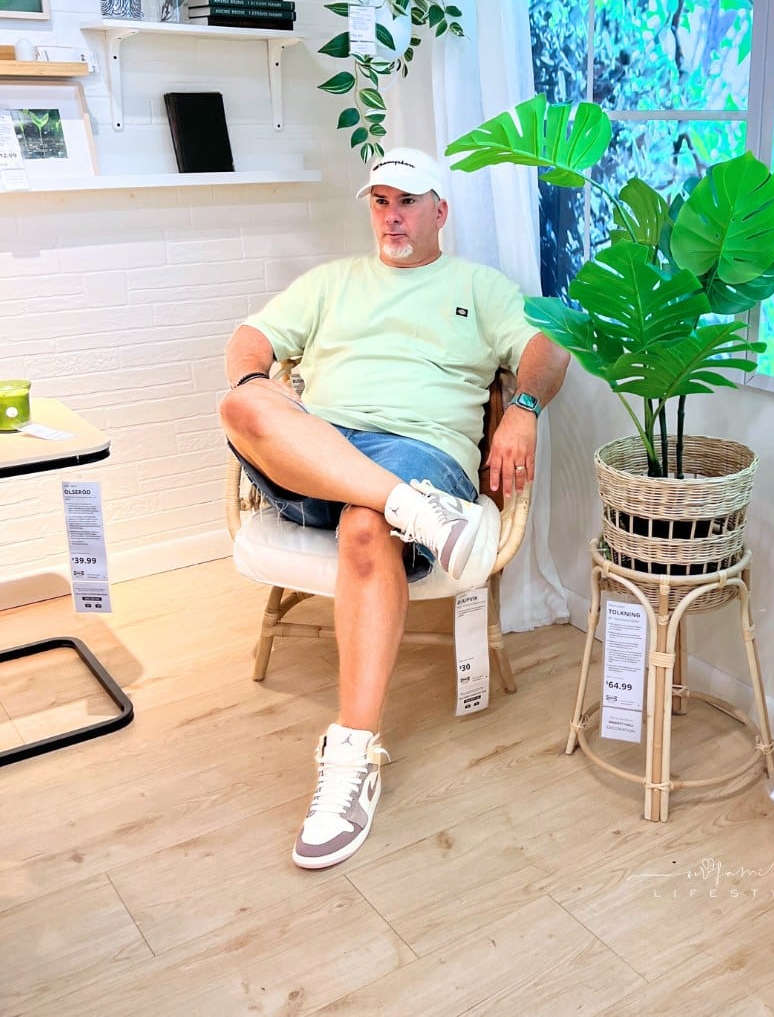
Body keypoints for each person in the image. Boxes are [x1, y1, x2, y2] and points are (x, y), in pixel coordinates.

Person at [219, 146, 569, 869]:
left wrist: (524, 407)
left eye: (406, 201)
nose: (391, 215)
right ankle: (418, 512)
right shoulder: (332, 282)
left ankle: (350, 758)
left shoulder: (480, 285)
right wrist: (259, 376)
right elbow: (251, 338)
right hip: (318, 449)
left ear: (441, 210)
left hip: (421, 448)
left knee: (363, 526)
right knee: (240, 401)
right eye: (379, 201)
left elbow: (548, 346)